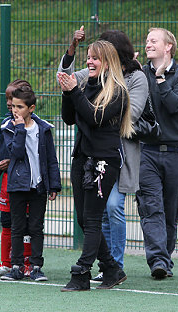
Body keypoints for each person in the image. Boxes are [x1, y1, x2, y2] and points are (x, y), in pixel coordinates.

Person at [57, 27, 148, 281]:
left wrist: (74, 92)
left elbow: (96, 118)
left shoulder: (118, 91)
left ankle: (82, 270)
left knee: (94, 217)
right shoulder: (86, 84)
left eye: (95, 58)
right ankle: (111, 268)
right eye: (88, 57)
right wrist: (68, 93)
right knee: (83, 219)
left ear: (108, 62)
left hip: (104, 161)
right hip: (82, 158)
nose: (89, 62)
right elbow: (69, 118)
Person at [136, 27, 178, 279]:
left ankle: (165, 259)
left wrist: (160, 80)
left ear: (168, 46)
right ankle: (157, 260)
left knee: (171, 211)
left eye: (153, 41)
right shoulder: (139, 73)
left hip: (175, 152)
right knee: (151, 207)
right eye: (147, 41)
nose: (148, 44)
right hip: (146, 152)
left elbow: (176, 106)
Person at [0, 82, 61, 282]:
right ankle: (16, 266)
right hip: (17, 185)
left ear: (31, 108)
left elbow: (51, 158)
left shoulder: (42, 129)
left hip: (38, 187)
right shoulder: (9, 128)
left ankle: (36, 267)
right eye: (13, 106)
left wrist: (54, 185)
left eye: (20, 107)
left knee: (36, 227)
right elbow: (15, 153)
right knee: (17, 227)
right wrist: (19, 130)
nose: (15, 110)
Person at [0, 79, 33, 277]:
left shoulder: (33, 125)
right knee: (7, 220)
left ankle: (27, 264)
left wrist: (11, 162)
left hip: (24, 182)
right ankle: (6, 262)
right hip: (7, 181)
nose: (9, 104)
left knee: (27, 224)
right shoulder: (5, 124)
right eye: (7, 99)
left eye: (12, 100)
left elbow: (30, 154)